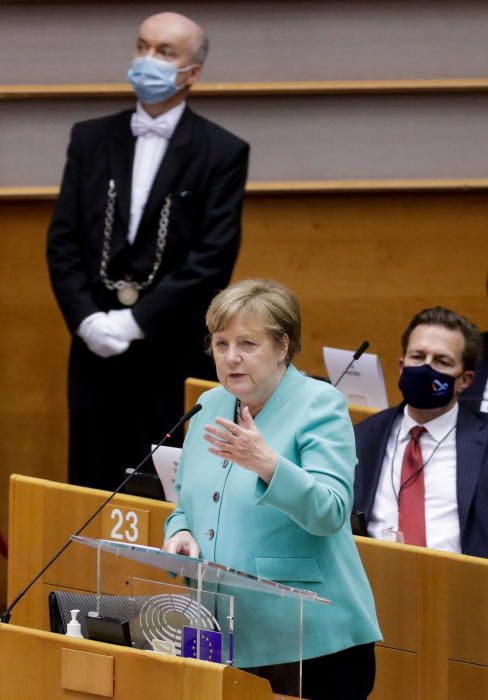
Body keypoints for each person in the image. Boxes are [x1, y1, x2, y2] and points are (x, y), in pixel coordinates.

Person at [47, 12, 249, 490]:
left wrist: (135, 322)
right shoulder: (90, 138)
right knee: (91, 482)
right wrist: (88, 321)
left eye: (164, 52)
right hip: (95, 349)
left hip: (171, 352)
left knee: (165, 489)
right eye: (142, 47)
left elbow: (212, 258)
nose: (147, 61)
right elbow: (63, 242)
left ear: (192, 72)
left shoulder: (222, 151)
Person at [164, 279, 381, 700]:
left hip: (306, 639)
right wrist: (179, 533)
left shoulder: (319, 404)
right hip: (212, 626)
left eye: (247, 343)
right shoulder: (208, 404)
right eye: (221, 343)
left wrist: (267, 464)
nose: (231, 357)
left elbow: (331, 512)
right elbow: (184, 504)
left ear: (282, 346)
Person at [354, 306, 488, 558]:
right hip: (374, 583)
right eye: (418, 357)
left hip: (462, 588)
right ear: (402, 366)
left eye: (442, 361)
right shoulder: (363, 437)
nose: (426, 368)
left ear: (466, 380)